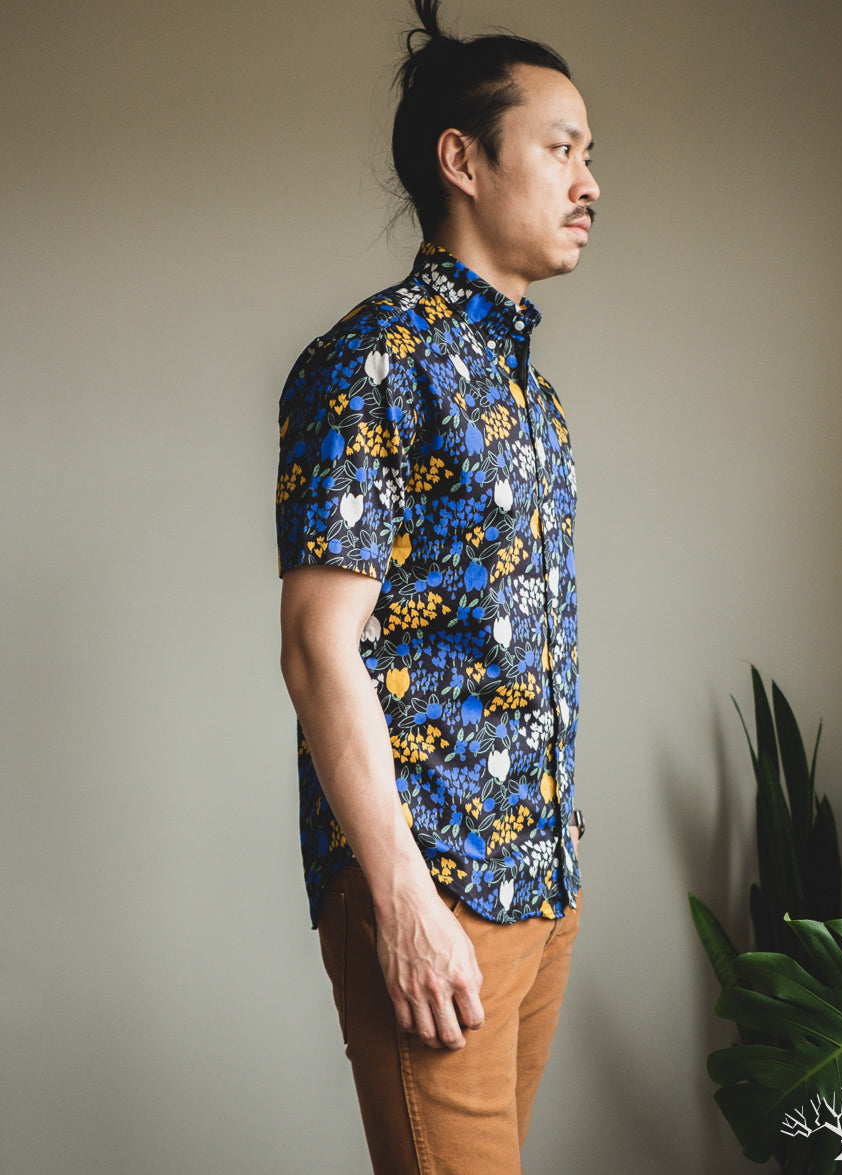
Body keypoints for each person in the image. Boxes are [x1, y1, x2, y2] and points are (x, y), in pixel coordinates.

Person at [276, 2, 598, 1171]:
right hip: (436, 887)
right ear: (462, 160)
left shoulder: (532, 398)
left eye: (590, 154)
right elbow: (317, 645)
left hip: (540, 885)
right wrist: (403, 901)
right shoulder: (374, 360)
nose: (588, 183)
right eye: (560, 148)